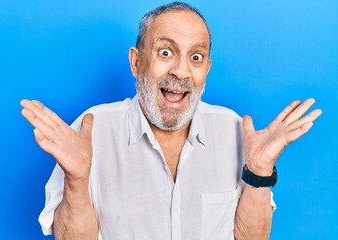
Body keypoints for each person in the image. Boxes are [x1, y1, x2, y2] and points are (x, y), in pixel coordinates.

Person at [20, 2, 322, 240]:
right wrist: (77, 180)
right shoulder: (90, 131)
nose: (181, 71)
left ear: (207, 68)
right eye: (166, 52)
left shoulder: (233, 130)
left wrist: (258, 172)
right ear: (136, 62)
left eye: (196, 57)